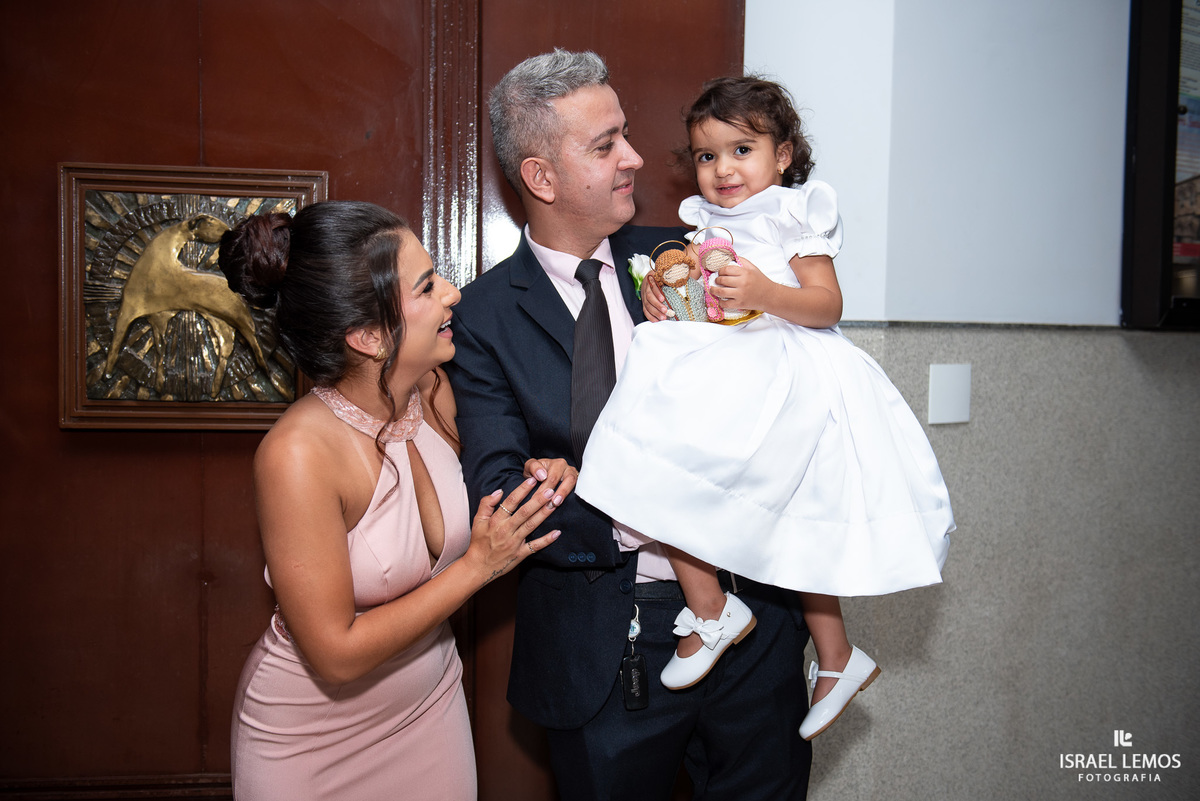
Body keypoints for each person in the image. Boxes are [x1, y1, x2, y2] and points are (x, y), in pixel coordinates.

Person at [446, 51, 812, 801]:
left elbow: (783, 389)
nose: (636, 157)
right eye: (606, 143)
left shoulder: (687, 257)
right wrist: (625, 504)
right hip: (605, 648)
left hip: (755, 626)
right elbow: (500, 488)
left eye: (626, 135)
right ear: (543, 178)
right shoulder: (482, 317)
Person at [575, 76, 955, 740]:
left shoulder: (793, 213)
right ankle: (813, 646)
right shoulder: (704, 222)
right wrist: (672, 300)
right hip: (736, 367)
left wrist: (764, 288)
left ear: (783, 155)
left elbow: (826, 304)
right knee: (688, 481)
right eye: (706, 154)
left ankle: (760, 626)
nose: (723, 168)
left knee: (772, 509)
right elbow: (711, 301)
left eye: (741, 149)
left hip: (788, 370)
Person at [220, 201, 562, 800]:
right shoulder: (297, 454)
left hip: (428, 710)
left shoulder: (435, 393)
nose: (453, 294)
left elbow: (497, 493)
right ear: (371, 336)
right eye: (428, 287)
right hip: (309, 744)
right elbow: (336, 656)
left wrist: (545, 472)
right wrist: (479, 566)